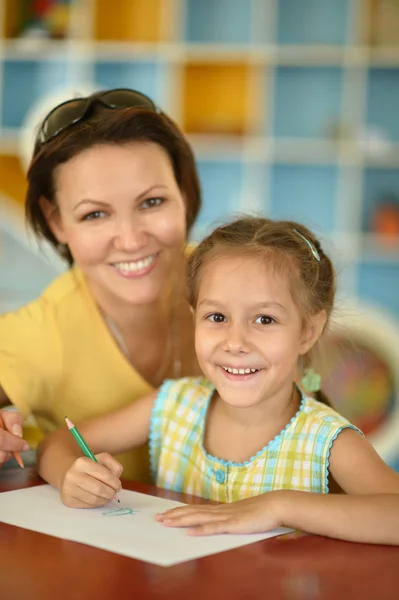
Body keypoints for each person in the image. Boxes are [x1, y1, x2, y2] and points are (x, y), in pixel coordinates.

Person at [37, 217, 399, 545]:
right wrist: (73, 476)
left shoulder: (328, 440)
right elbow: (57, 443)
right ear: (194, 317)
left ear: (309, 331)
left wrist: (280, 506)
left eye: (265, 320)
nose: (235, 342)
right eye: (216, 316)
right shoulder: (173, 405)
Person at [0, 88, 202, 480]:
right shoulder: (42, 332)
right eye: (95, 214)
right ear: (57, 221)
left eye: (152, 202)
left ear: (183, 192)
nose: (129, 239)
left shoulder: (238, 276)